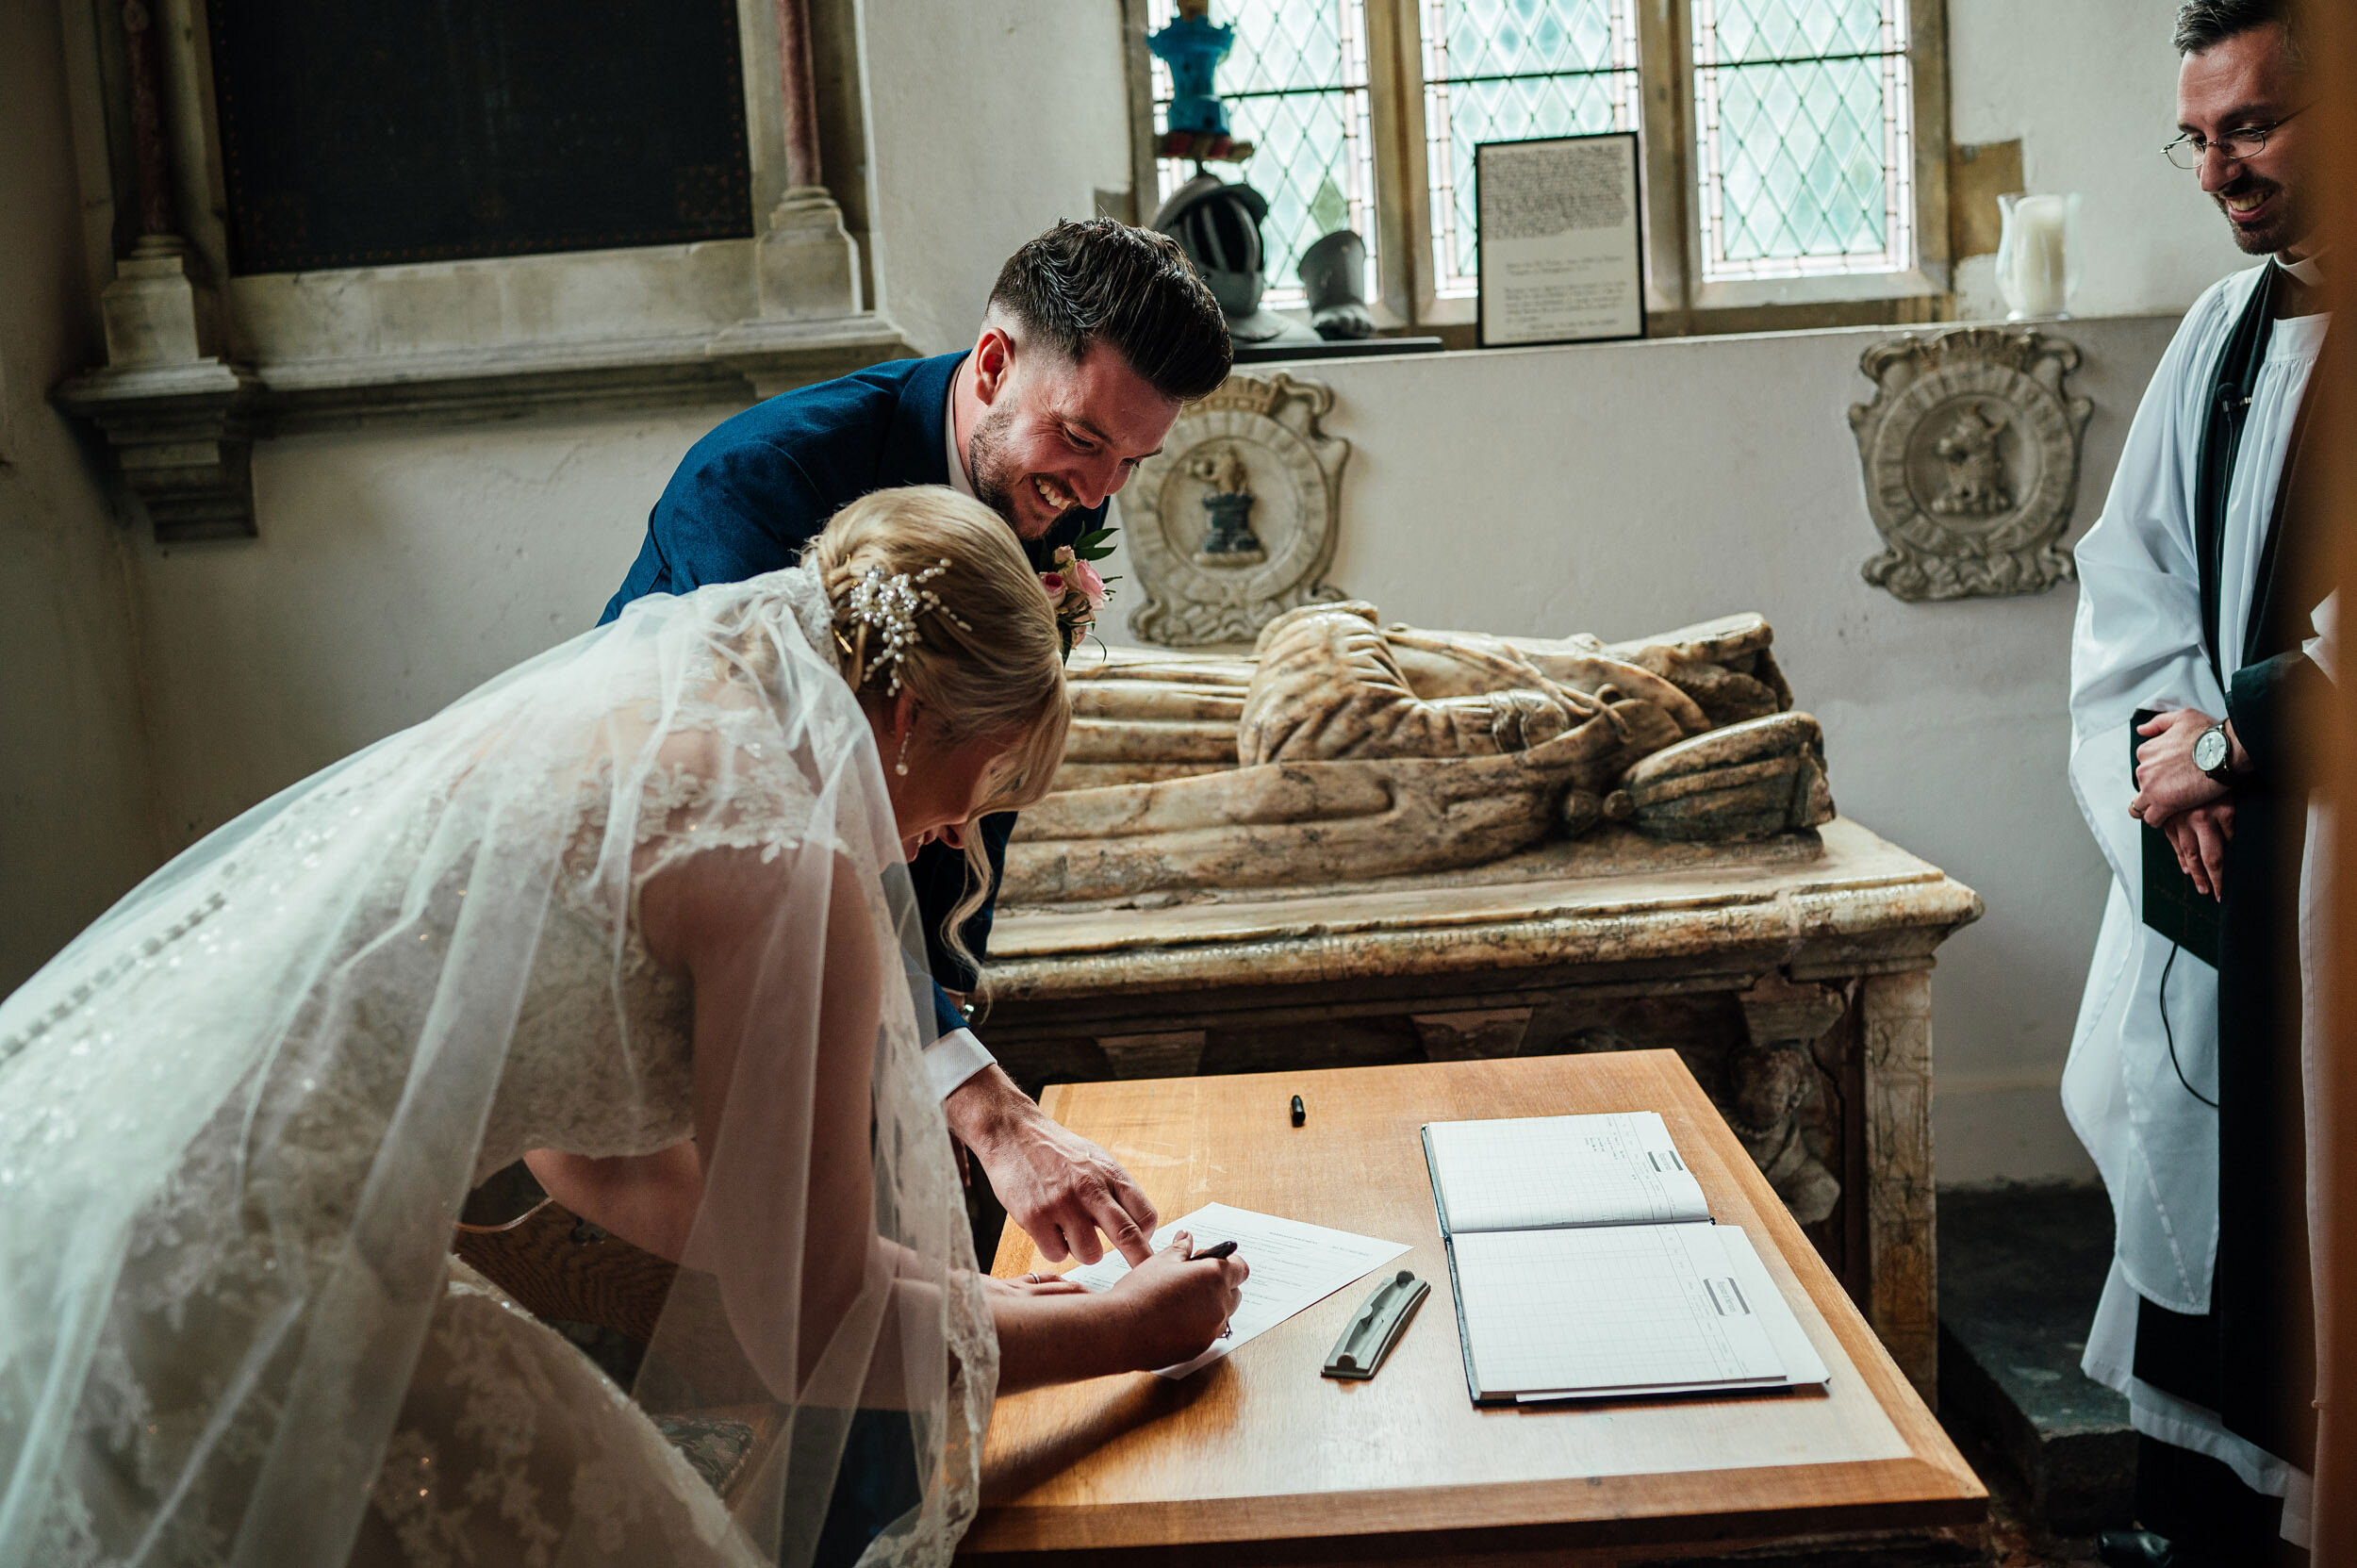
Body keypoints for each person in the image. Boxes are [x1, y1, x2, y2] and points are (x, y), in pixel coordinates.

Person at [0, 487, 1248, 1567]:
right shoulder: (782, 861)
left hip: (101, 1180)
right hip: (251, 1276)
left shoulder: (668, 718)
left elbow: (602, 1160)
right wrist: (1125, 1326)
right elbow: (806, 1324)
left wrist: (967, 1295)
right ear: (912, 716)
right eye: (978, 791)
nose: (956, 841)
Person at [601, 217, 1233, 1272]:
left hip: (890, 972)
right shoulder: (761, 488)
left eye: (1135, 460)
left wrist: (949, 1048)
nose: (1095, 495)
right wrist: (986, 1109)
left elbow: (946, 791)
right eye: (1083, 440)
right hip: (689, 974)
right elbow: (797, 826)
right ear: (992, 363)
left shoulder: (1045, 488)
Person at [2062, 3, 2331, 1560]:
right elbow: (2132, 581)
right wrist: (2183, 759)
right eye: (2201, 134)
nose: (2220, 166)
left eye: (2257, 124)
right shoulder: (2223, 335)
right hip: (2233, 866)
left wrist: (2243, 738)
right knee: (2218, 1230)